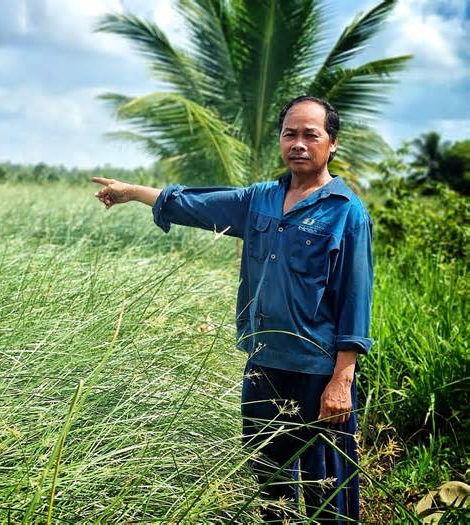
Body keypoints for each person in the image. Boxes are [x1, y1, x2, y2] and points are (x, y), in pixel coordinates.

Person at [91, 96, 373, 523]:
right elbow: (194, 204)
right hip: (262, 364)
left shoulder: (347, 213)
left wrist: (341, 381)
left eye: (310, 135)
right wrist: (131, 192)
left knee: (325, 486)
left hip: (318, 370)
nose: (298, 143)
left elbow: (356, 299)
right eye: (289, 134)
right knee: (267, 478)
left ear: (332, 143)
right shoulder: (258, 199)